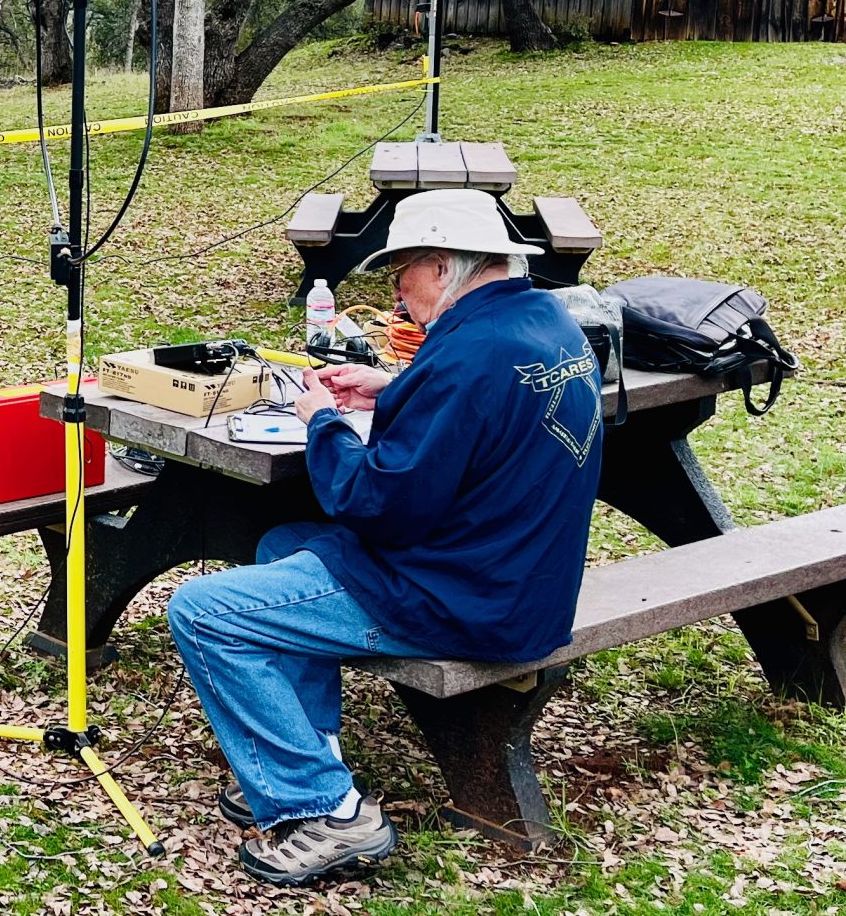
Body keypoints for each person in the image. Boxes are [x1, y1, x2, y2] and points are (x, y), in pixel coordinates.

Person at [165, 188, 606, 887]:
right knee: (285, 543)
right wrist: (394, 388)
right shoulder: (545, 321)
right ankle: (309, 758)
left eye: (402, 272)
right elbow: (478, 415)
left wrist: (323, 422)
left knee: (203, 610)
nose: (396, 293)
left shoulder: (468, 356)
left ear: (442, 265)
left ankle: (328, 811)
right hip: (525, 579)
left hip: (463, 599)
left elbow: (377, 504)